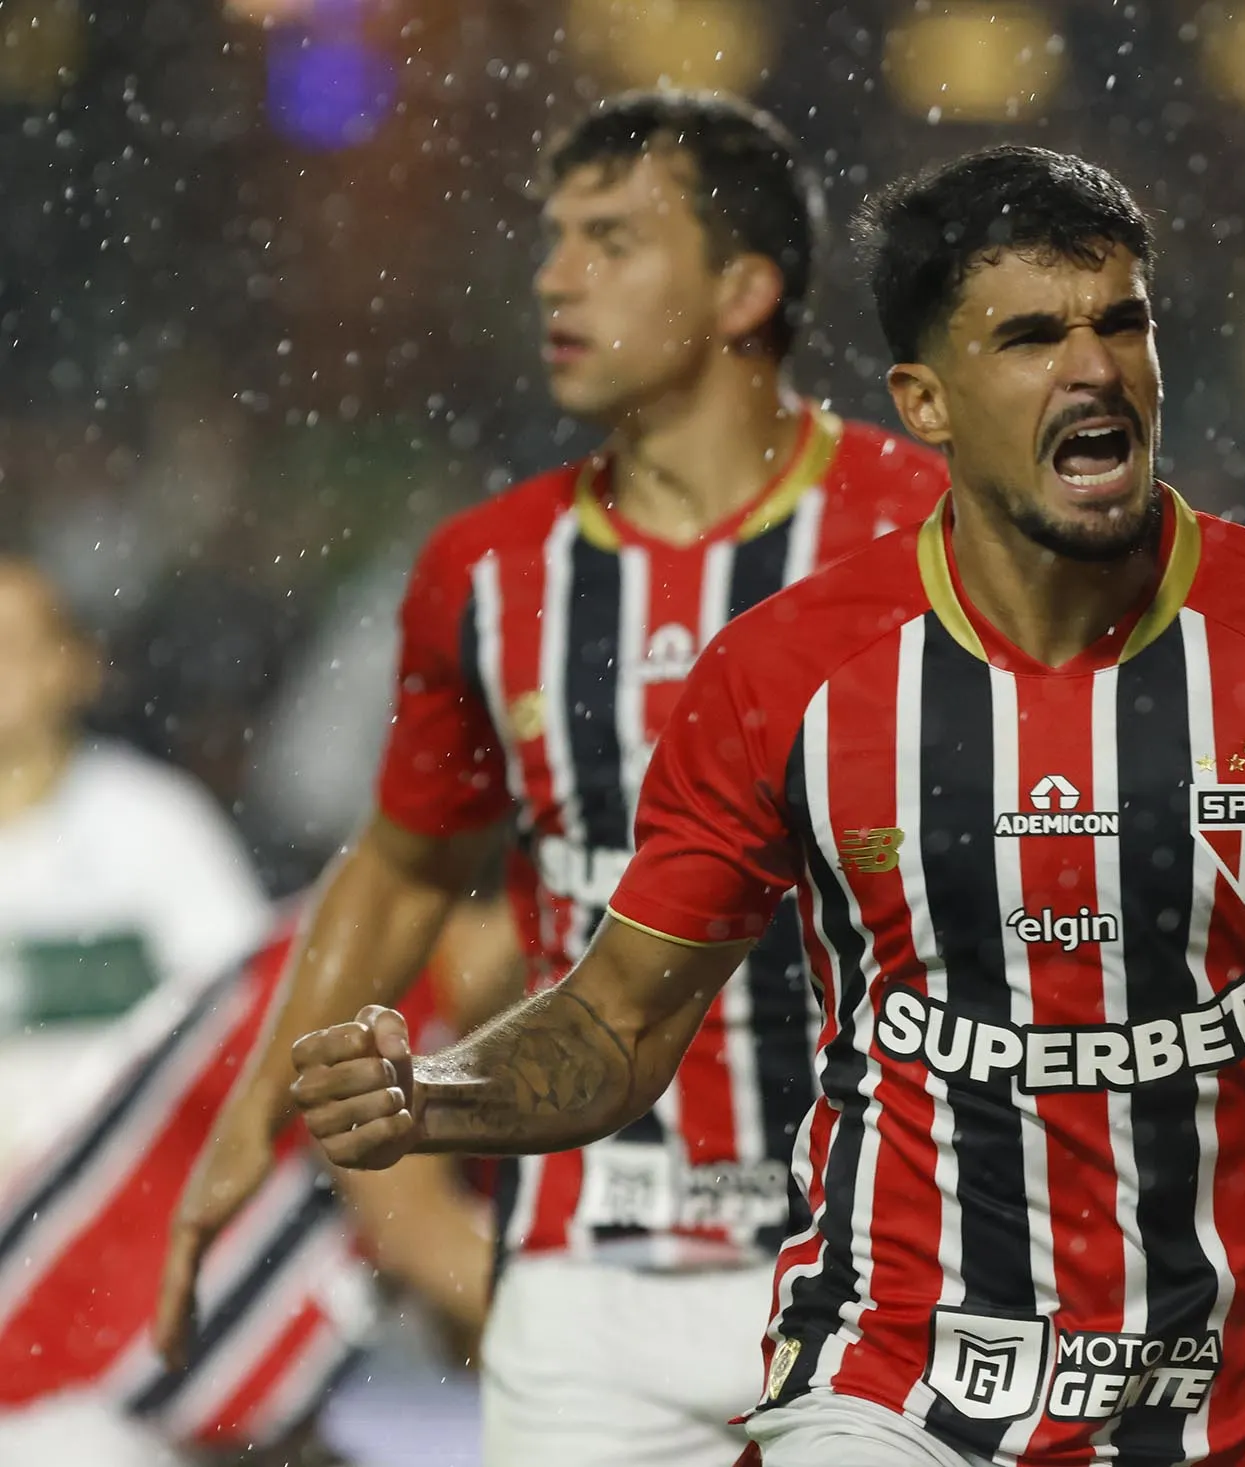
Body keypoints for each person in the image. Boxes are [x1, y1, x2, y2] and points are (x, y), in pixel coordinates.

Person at [286, 144, 1245, 1467]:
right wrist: (437, 1093)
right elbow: (616, 1018)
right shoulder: (788, 675)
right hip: (889, 1379)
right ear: (924, 399)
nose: (1093, 368)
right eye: (1029, 336)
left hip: (1209, 1401)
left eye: (1119, 322)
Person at [159, 90, 949, 1464]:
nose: (554, 275)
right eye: (552, 237)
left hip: (886, 1251)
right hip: (585, 1277)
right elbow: (406, 860)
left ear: (745, 289)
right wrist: (245, 1129)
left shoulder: (923, 533)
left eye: (612, 239)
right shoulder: (490, 570)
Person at [0, 896, 509, 1465]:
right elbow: (424, 1242)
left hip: (169, 1426)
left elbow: (472, 1334)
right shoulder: (369, 971)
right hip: (51, 1409)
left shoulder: (469, 1043)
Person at [0, 558, 271, 1176]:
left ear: (72, 667)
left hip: (119, 1200)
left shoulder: (154, 824)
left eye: (13, 645)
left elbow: (244, 1008)